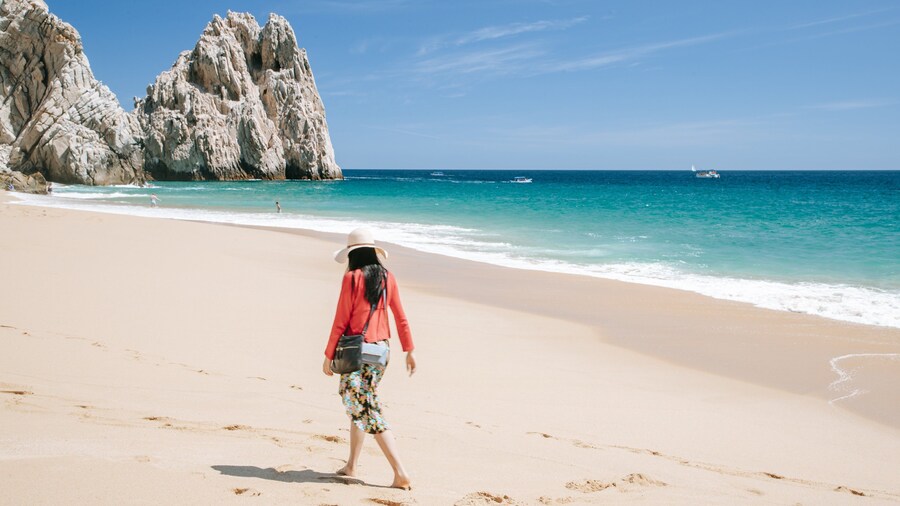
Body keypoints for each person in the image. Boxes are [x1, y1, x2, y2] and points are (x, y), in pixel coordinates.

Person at [323, 227, 416, 490]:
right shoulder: (388, 277)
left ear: (352, 254)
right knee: (362, 403)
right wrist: (409, 349)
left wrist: (328, 355)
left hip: (358, 352)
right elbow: (400, 316)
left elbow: (341, 320)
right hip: (382, 353)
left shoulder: (351, 278)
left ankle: (400, 472)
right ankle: (351, 464)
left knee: (365, 408)